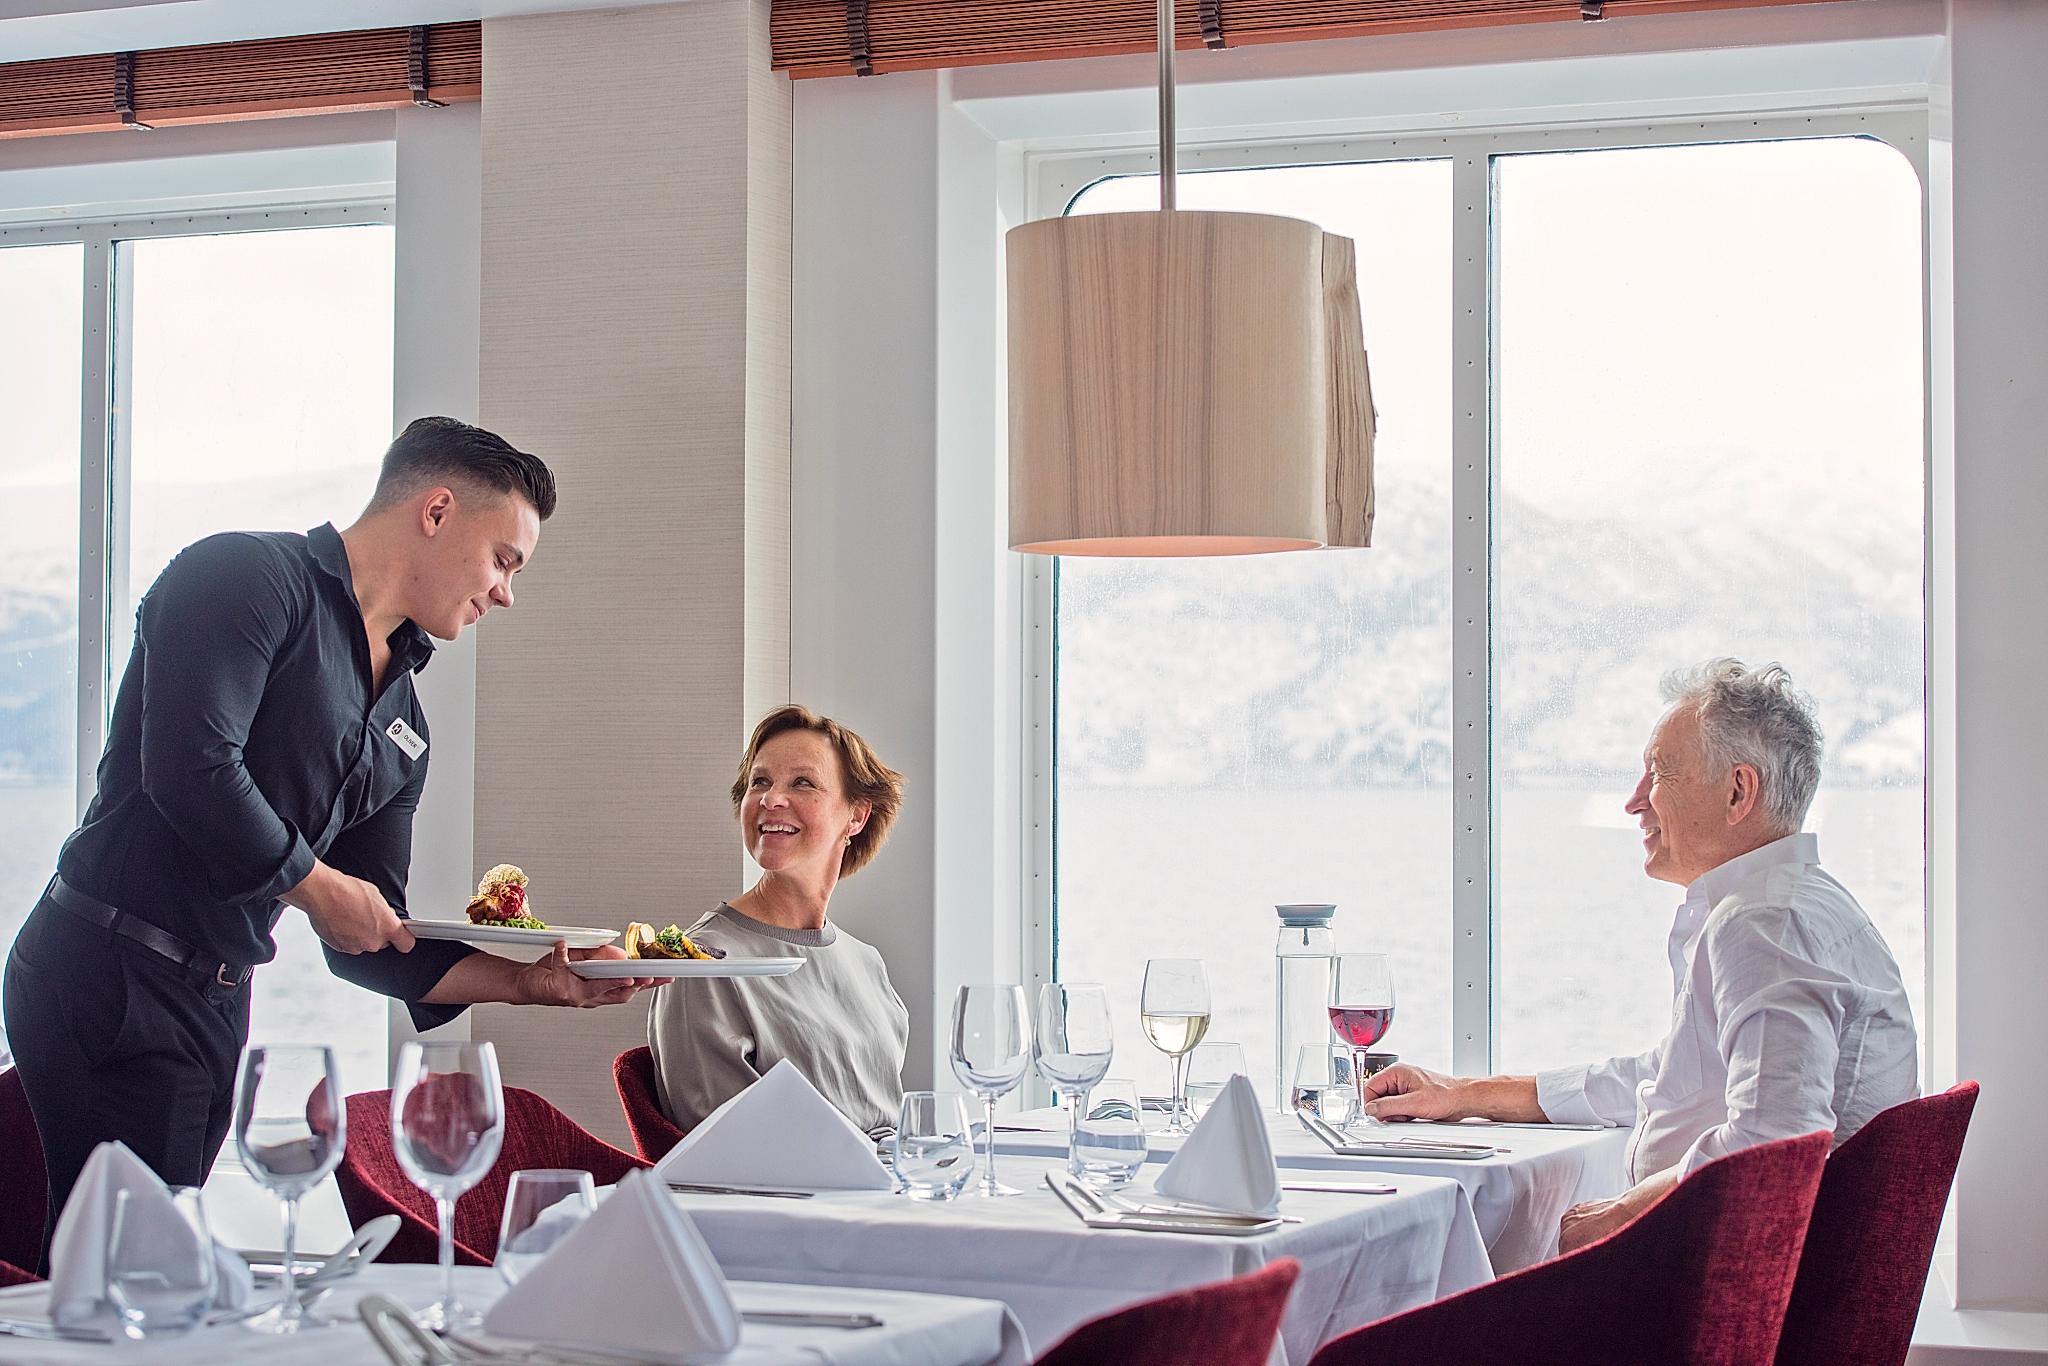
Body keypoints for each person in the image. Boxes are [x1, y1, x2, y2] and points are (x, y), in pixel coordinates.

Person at [1, 417, 658, 1268]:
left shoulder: (405, 725)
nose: (506, 594)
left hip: (215, 997)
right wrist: (317, 886)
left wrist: (531, 982)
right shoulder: (242, 577)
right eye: (505, 560)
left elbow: (371, 938)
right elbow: (192, 769)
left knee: (131, 1266)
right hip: (108, 965)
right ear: (436, 511)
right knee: (131, 1268)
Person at [1362, 659, 1917, 1254]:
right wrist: (1463, 1094)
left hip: (1716, 1279)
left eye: (1658, 774)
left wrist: (1620, 1218)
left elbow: (1775, 1142)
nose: (1633, 802)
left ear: (1738, 791)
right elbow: (1666, 1077)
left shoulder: (1764, 924)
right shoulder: (1799, 904)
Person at [649, 705, 909, 1136]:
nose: (771, 800)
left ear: (856, 816)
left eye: (802, 782)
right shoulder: (703, 965)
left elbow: (887, 1125)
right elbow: (728, 1147)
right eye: (760, 782)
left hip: (893, 1178)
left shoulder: (867, 964)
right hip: (796, 1182)